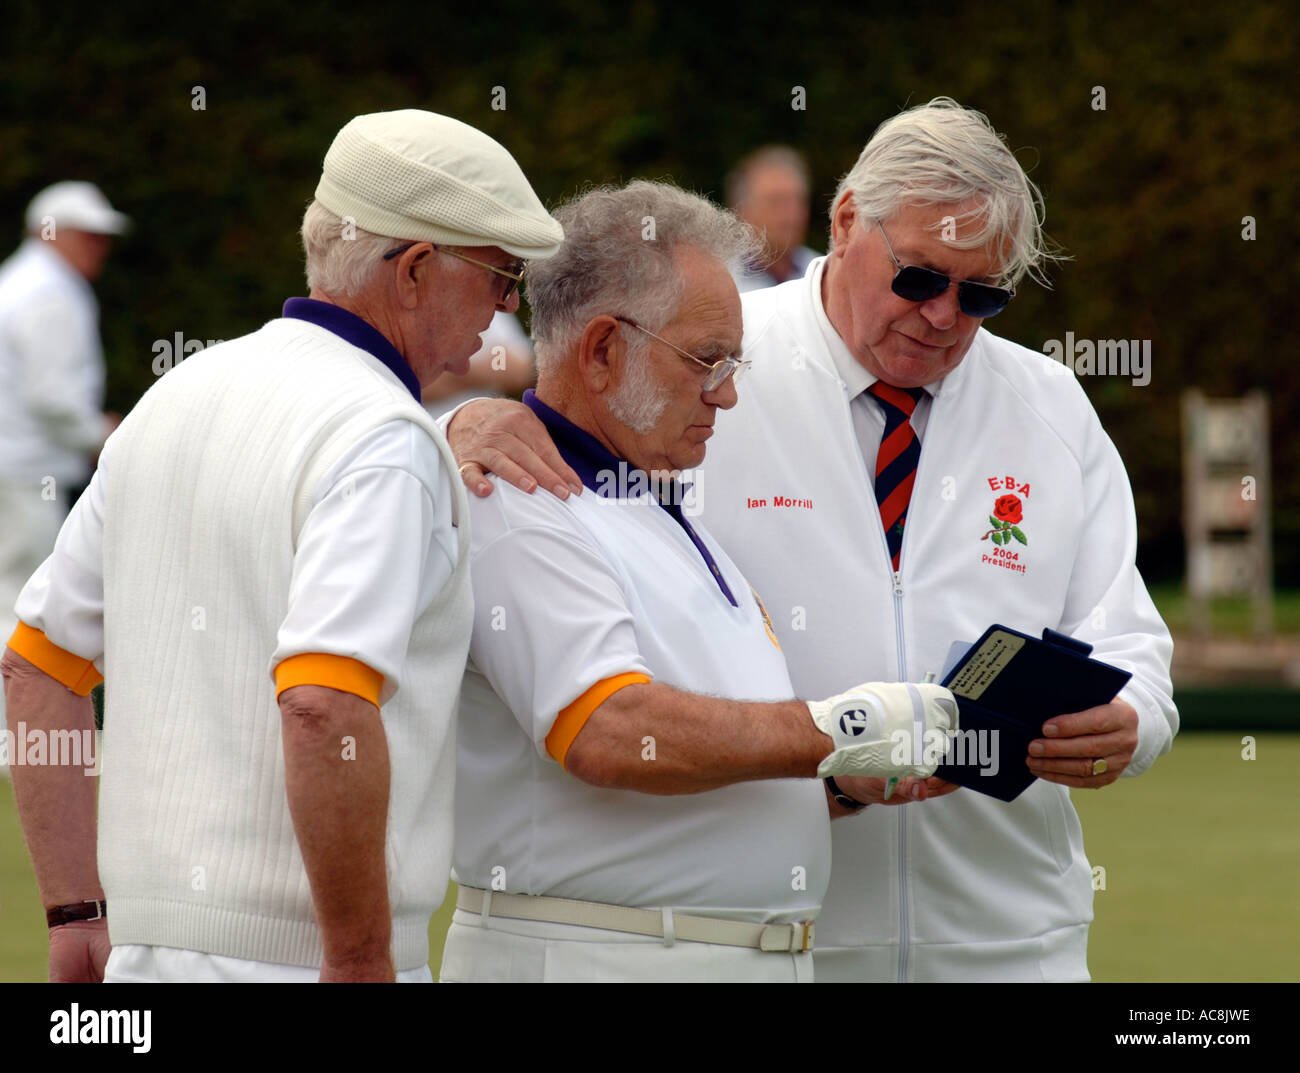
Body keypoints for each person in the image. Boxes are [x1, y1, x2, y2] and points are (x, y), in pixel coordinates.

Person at [445, 98, 1179, 982]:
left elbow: (1131, 641)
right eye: (919, 278)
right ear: (844, 220)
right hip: (787, 941)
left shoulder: (1051, 404)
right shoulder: (715, 354)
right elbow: (577, 415)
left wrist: (1129, 723)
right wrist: (462, 427)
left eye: (981, 295)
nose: (945, 315)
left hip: (1013, 942)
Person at [1, 109, 563, 983]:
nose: (507, 309)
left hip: (138, 964)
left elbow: (39, 664)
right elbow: (324, 705)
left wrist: (75, 913)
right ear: (415, 271)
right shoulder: (385, 434)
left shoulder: (173, 396)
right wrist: (359, 957)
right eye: (501, 277)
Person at [437, 180, 957, 983]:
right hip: (604, 959)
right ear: (604, 349)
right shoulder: (517, 491)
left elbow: (685, 775)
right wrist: (848, 727)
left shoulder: (651, 502)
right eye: (708, 360)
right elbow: (608, 728)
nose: (729, 391)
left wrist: (833, 780)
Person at [0, 182, 127, 758]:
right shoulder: (51, 290)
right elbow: (52, 395)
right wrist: (105, 436)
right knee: (21, 598)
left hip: (19, 464)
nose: (99, 250)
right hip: (25, 469)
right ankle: (16, 741)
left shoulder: (19, 280)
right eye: (90, 236)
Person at [726, 145, 819, 292]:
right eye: (775, 202)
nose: (791, 215)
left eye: (797, 201)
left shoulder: (822, 273)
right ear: (742, 211)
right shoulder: (724, 279)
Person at [421, 309, 536, 419]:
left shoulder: (489, 305)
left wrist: (446, 373)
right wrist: (486, 371)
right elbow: (419, 386)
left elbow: (520, 371)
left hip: (486, 428)